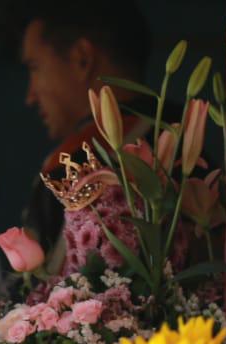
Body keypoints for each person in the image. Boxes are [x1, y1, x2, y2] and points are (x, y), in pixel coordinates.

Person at [18, 1, 153, 257]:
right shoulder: (191, 136)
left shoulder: (76, 161)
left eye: (35, 67)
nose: (30, 96)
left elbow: (35, 288)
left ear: (82, 59)